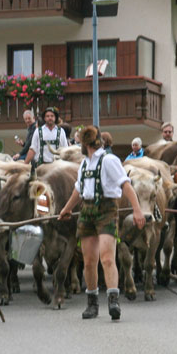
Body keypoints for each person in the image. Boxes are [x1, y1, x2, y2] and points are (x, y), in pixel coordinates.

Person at [58, 126, 144, 320]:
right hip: (86, 211)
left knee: (106, 257)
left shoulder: (109, 160)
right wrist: (66, 209)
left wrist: (137, 210)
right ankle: (92, 304)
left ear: (86, 144)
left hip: (107, 210)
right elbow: (78, 190)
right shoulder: (84, 164)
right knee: (89, 261)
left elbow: (126, 185)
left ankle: (113, 300)